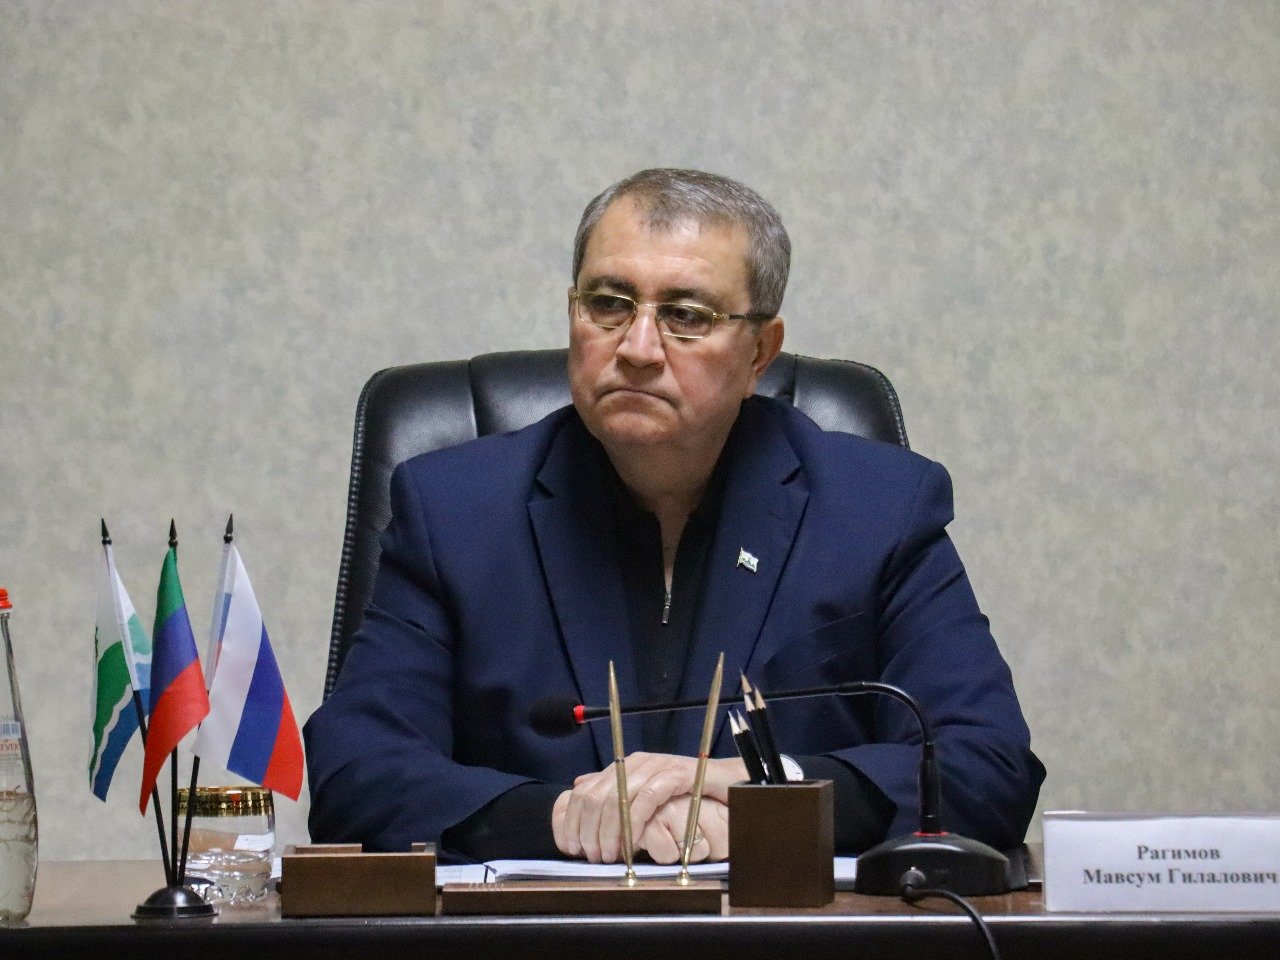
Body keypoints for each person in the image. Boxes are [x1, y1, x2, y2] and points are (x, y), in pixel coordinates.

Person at [305, 168, 1045, 865]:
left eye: (687, 316)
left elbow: (986, 764)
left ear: (760, 352)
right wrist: (565, 820)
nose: (637, 348)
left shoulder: (877, 507)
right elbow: (355, 771)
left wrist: (764, 795)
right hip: (535, 937)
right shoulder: (455, 511)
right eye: (608, 304)